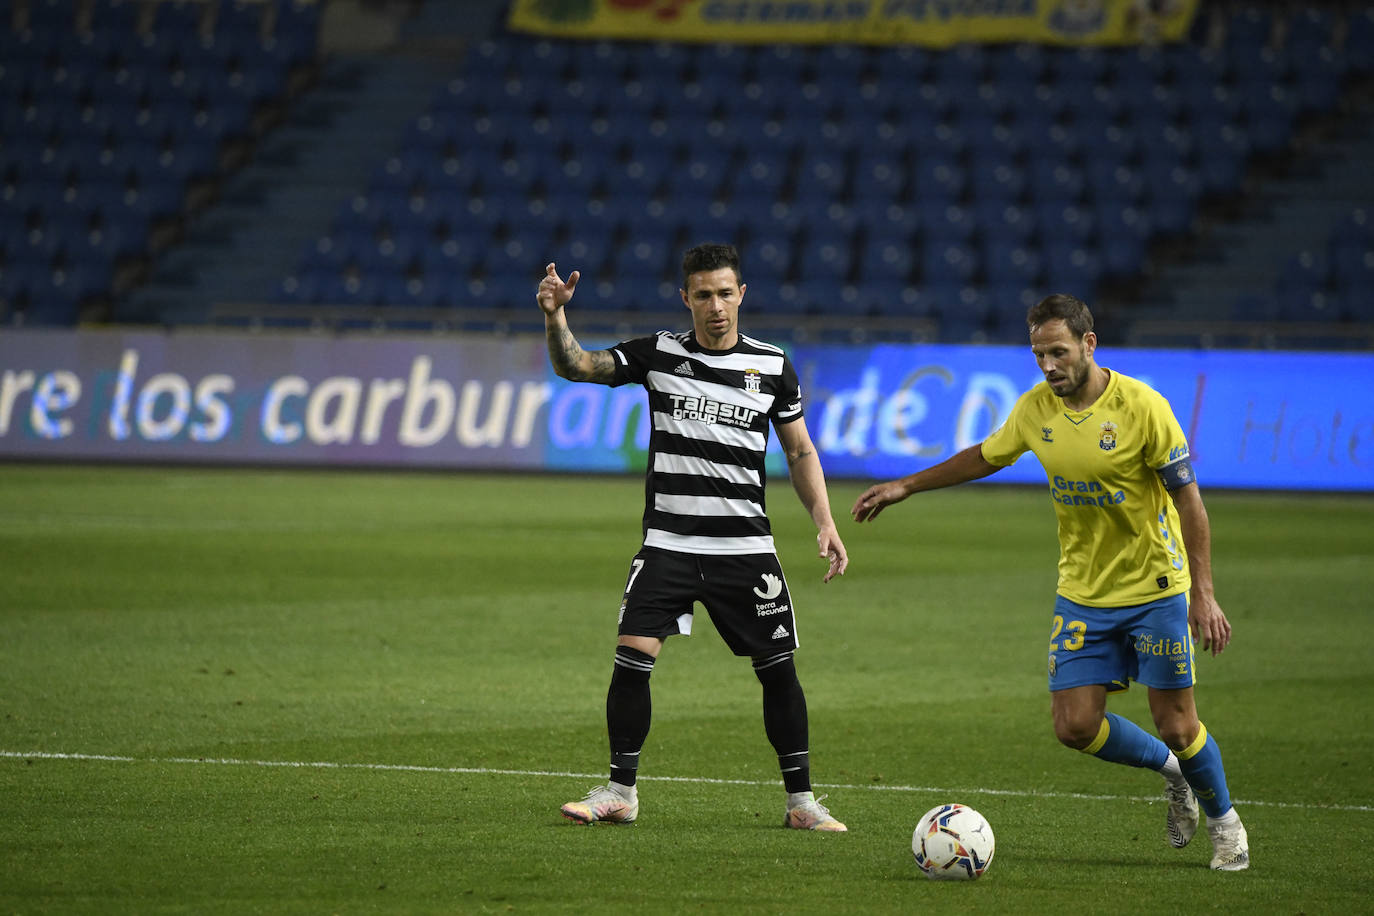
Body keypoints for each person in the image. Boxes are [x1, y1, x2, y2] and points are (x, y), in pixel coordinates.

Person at [850, 293, 1249, 871]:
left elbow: (1190, 502)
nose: (1048, 366)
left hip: (1155, 587)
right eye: (1038, 354)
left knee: (1178, 721)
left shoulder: (1143, 407)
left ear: (1089, 344)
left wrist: (1203, 593)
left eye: (1057, 352)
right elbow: (987, 455)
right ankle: (1172, 773)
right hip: (1083, 591)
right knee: (1075, 726)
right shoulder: (1037, 408)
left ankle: (1225, 824)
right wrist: (906, 485)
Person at [537, 243, 851, 831]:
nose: (715, 306)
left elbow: (800, 449)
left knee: (777, 671)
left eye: (725, 293)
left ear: (742, 295)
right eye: (703, 295)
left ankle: (802, 804)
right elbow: (577, 365)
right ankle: (619, 793)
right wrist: (556, 316)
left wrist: (825, 522)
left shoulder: (773, 366)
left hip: (745, 550)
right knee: (633, 656)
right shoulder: (658, 354)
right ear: (686, 298)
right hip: (669, 543)